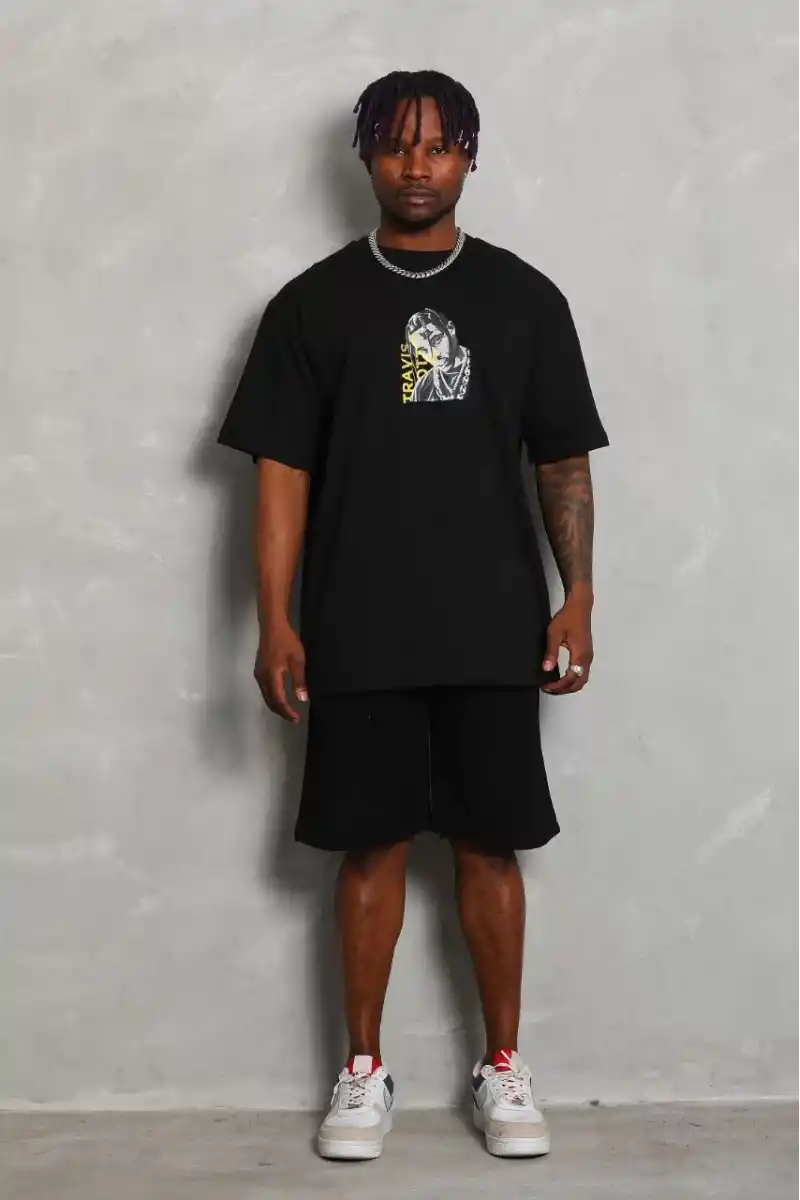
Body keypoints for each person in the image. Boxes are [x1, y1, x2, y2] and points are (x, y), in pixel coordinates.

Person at [217, 69, 609, 1161]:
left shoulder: (525, 300)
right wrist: (274, 618)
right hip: (359, 621)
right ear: (365, 156)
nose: (416, 166)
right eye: (395, 145)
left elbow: (561, 461)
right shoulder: (311, 306)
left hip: (494, 621)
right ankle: (362, 1071)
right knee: (368, 848)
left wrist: (578, 594)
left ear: (470, 155)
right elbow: (281, 475)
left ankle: (502, 1066)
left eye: (439, 146)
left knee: (492, 847)